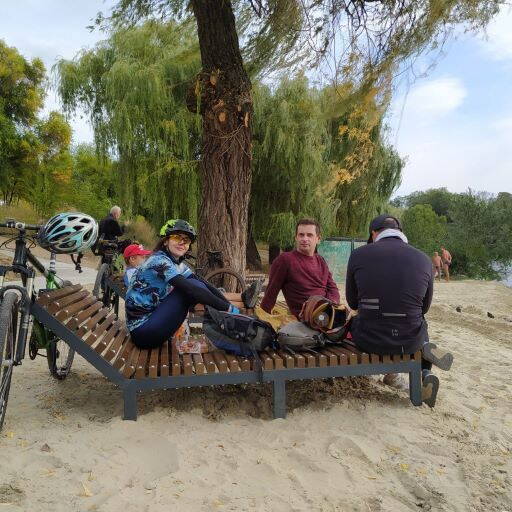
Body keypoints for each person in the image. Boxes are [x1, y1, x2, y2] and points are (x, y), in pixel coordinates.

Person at [345, 214, 451, 407]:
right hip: (410, 341)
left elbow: (353, 303)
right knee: (421, 323)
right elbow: (424, 308)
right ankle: (425, 371)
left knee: (356, 319)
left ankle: (403, 370)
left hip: (369, 340)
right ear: (400, 232)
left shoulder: (358, 255)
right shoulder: (424, 259)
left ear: (374, 233)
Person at [125, 219, 257, 350]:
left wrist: (228, 307)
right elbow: (192, 289)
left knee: (196, 284)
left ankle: (231, 325)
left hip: (152, 324)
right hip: (143, 332)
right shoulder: (159, 261)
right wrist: (229, 309)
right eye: (177, 237)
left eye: (187, 240)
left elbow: (203, 283)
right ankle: (231, 327)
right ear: (165, 241)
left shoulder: (175, 263)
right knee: (189, 289)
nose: (182, 242)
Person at [260, 218, 340, 318]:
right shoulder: (285, 260)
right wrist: (262, 318)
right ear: (296, 237)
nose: (304, 239)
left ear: (318, 239)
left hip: (326, 314)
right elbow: (271, 293)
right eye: (301, 235)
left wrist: (330, 306)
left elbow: (333, 288)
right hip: (304, 319)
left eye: (309, 235)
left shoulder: (321, 261)